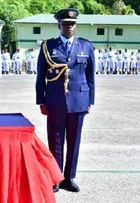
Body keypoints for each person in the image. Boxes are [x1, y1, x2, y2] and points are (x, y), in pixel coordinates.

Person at [35, 8, 95, 193]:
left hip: (79, 100)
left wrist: (90, 101)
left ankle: (69, 178)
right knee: (56, 141)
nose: (70, 27)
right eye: (66, 24)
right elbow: (40, 77)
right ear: (58, 25)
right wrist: (41, 101)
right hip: (55, 101)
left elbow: (90, 76)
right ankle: (55, 177)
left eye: (73, 24)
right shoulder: (48, 46)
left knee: (74, 141)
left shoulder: (85, 46)